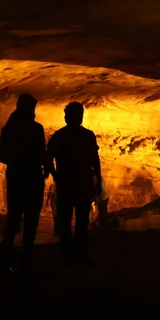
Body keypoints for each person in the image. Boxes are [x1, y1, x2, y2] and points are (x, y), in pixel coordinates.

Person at [0, 93, 49, 275]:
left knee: (13, 220)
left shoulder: (9, 130)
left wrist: (17, 159)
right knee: (31, 221)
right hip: (32, 178)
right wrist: (46, 167)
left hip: (16, 177)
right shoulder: (35, 129)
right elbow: (42, 153)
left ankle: (6, 261)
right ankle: (26, 261)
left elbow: (1, 155)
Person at [47, 102, 102, 264]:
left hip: (66, 183)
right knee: (82, 221)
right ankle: (80, 255)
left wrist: (55, 175)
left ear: (66, 117)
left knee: (65, 221)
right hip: (83, 183)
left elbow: (48, 158)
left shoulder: (58, 136)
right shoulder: (88, 136)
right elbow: (95, 160)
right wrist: (97, 179)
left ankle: (66, 256)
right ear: (80, 117)